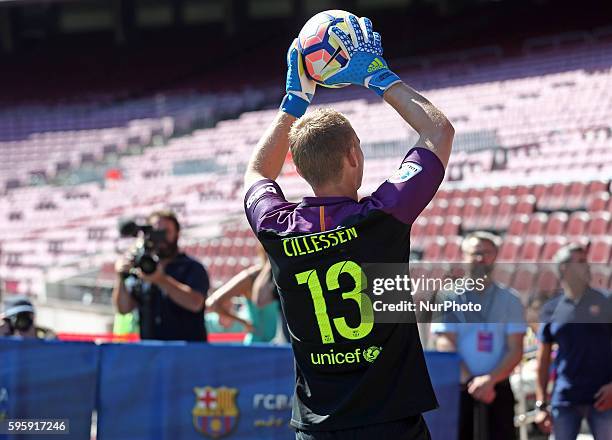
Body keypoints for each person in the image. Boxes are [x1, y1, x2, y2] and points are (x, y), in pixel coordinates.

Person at [243, 14, 454, 439]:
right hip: (392, 423)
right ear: (354, 157)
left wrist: (293, 103)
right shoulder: (383, 215)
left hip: (319, 427)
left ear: (297, 168)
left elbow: (254, 173)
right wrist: (378, 76)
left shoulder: (276, 226)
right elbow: (438, 130)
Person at [431, 231, 526, 440]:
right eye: (475, 253)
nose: (481, 258)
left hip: (498, 389)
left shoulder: (510, 299)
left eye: (486, 253)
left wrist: (489, 381)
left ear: (496, 256)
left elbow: (516, 348)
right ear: (464, 256)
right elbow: (445, 342)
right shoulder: (449, 296)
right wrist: (473, 381)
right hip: (461, 389)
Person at [535, 244, 612, 440]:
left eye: (586, 261)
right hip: (565, 398)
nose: (587, 267)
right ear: (564, 268)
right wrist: (541, 403)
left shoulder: (606, 302)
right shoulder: (551, 308)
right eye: (580, 262)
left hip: (604, 397)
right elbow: (542, 360)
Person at [112, 210, 210, 342]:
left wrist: (161, 280)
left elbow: (195, 303)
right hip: (152, 354)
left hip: (187, 354)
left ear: (177, 234)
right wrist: (121, 277)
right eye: (156, 231)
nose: (160, 237)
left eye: (166, 232)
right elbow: (124, 309)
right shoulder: (142, 269)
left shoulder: (192, 267)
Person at [205, 247, 280, 344]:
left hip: (278, 345)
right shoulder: (251, 276)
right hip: (255, 345)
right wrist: (243, 322)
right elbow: (212, 303)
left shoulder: (280, 275)